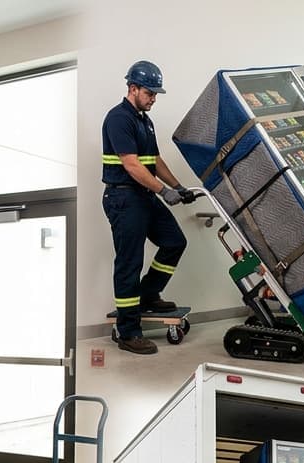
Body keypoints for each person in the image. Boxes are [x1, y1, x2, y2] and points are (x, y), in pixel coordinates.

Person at [101, 60, 197, 356]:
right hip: (123, 198)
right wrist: (163, 191)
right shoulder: (119, 119)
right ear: (133, 88)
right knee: (129, 262)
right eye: (149, 92)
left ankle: (148, 293)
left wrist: (178, 186)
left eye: (156, 93)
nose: (154, 98)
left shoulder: (145, 120)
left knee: (174, 242)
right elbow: (131, 165)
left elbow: (153, 160)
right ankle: (129, 332)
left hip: (143, 196)